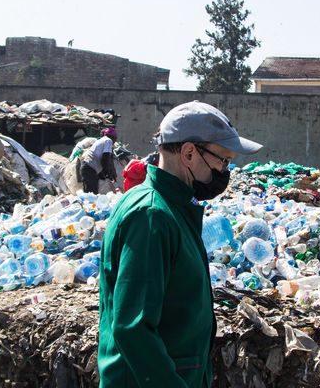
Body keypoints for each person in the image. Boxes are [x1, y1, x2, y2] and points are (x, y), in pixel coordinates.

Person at [98, 101, 262, 387]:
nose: (225, 170)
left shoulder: (173, 210)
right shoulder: (151, 216)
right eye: (222, 160)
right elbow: (133, 328)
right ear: (188, 153)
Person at [79, 127, 119, 193]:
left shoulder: (102, 140)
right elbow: (105, 159)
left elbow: (100, 160)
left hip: (87, 168)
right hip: (89, 169)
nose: (114, 142)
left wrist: (102, 174)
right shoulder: (108, 141)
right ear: (113, 137)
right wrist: (108, 174)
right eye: (115, 139)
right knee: (92, 194)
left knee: (89, 194)